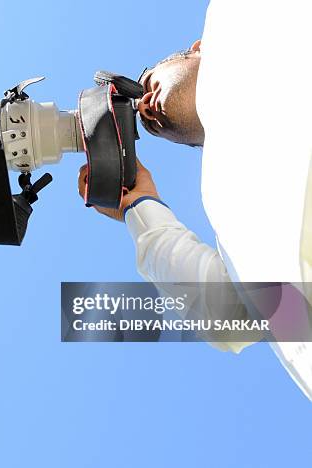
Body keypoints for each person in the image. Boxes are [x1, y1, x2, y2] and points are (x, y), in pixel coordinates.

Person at [78, 1, 312, 399]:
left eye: (146, 78)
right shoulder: (230, 204)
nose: (142, 106)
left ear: (199, 45)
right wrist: (141, 207)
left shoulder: (243, 18)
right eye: (149, 128)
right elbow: (231, 318)